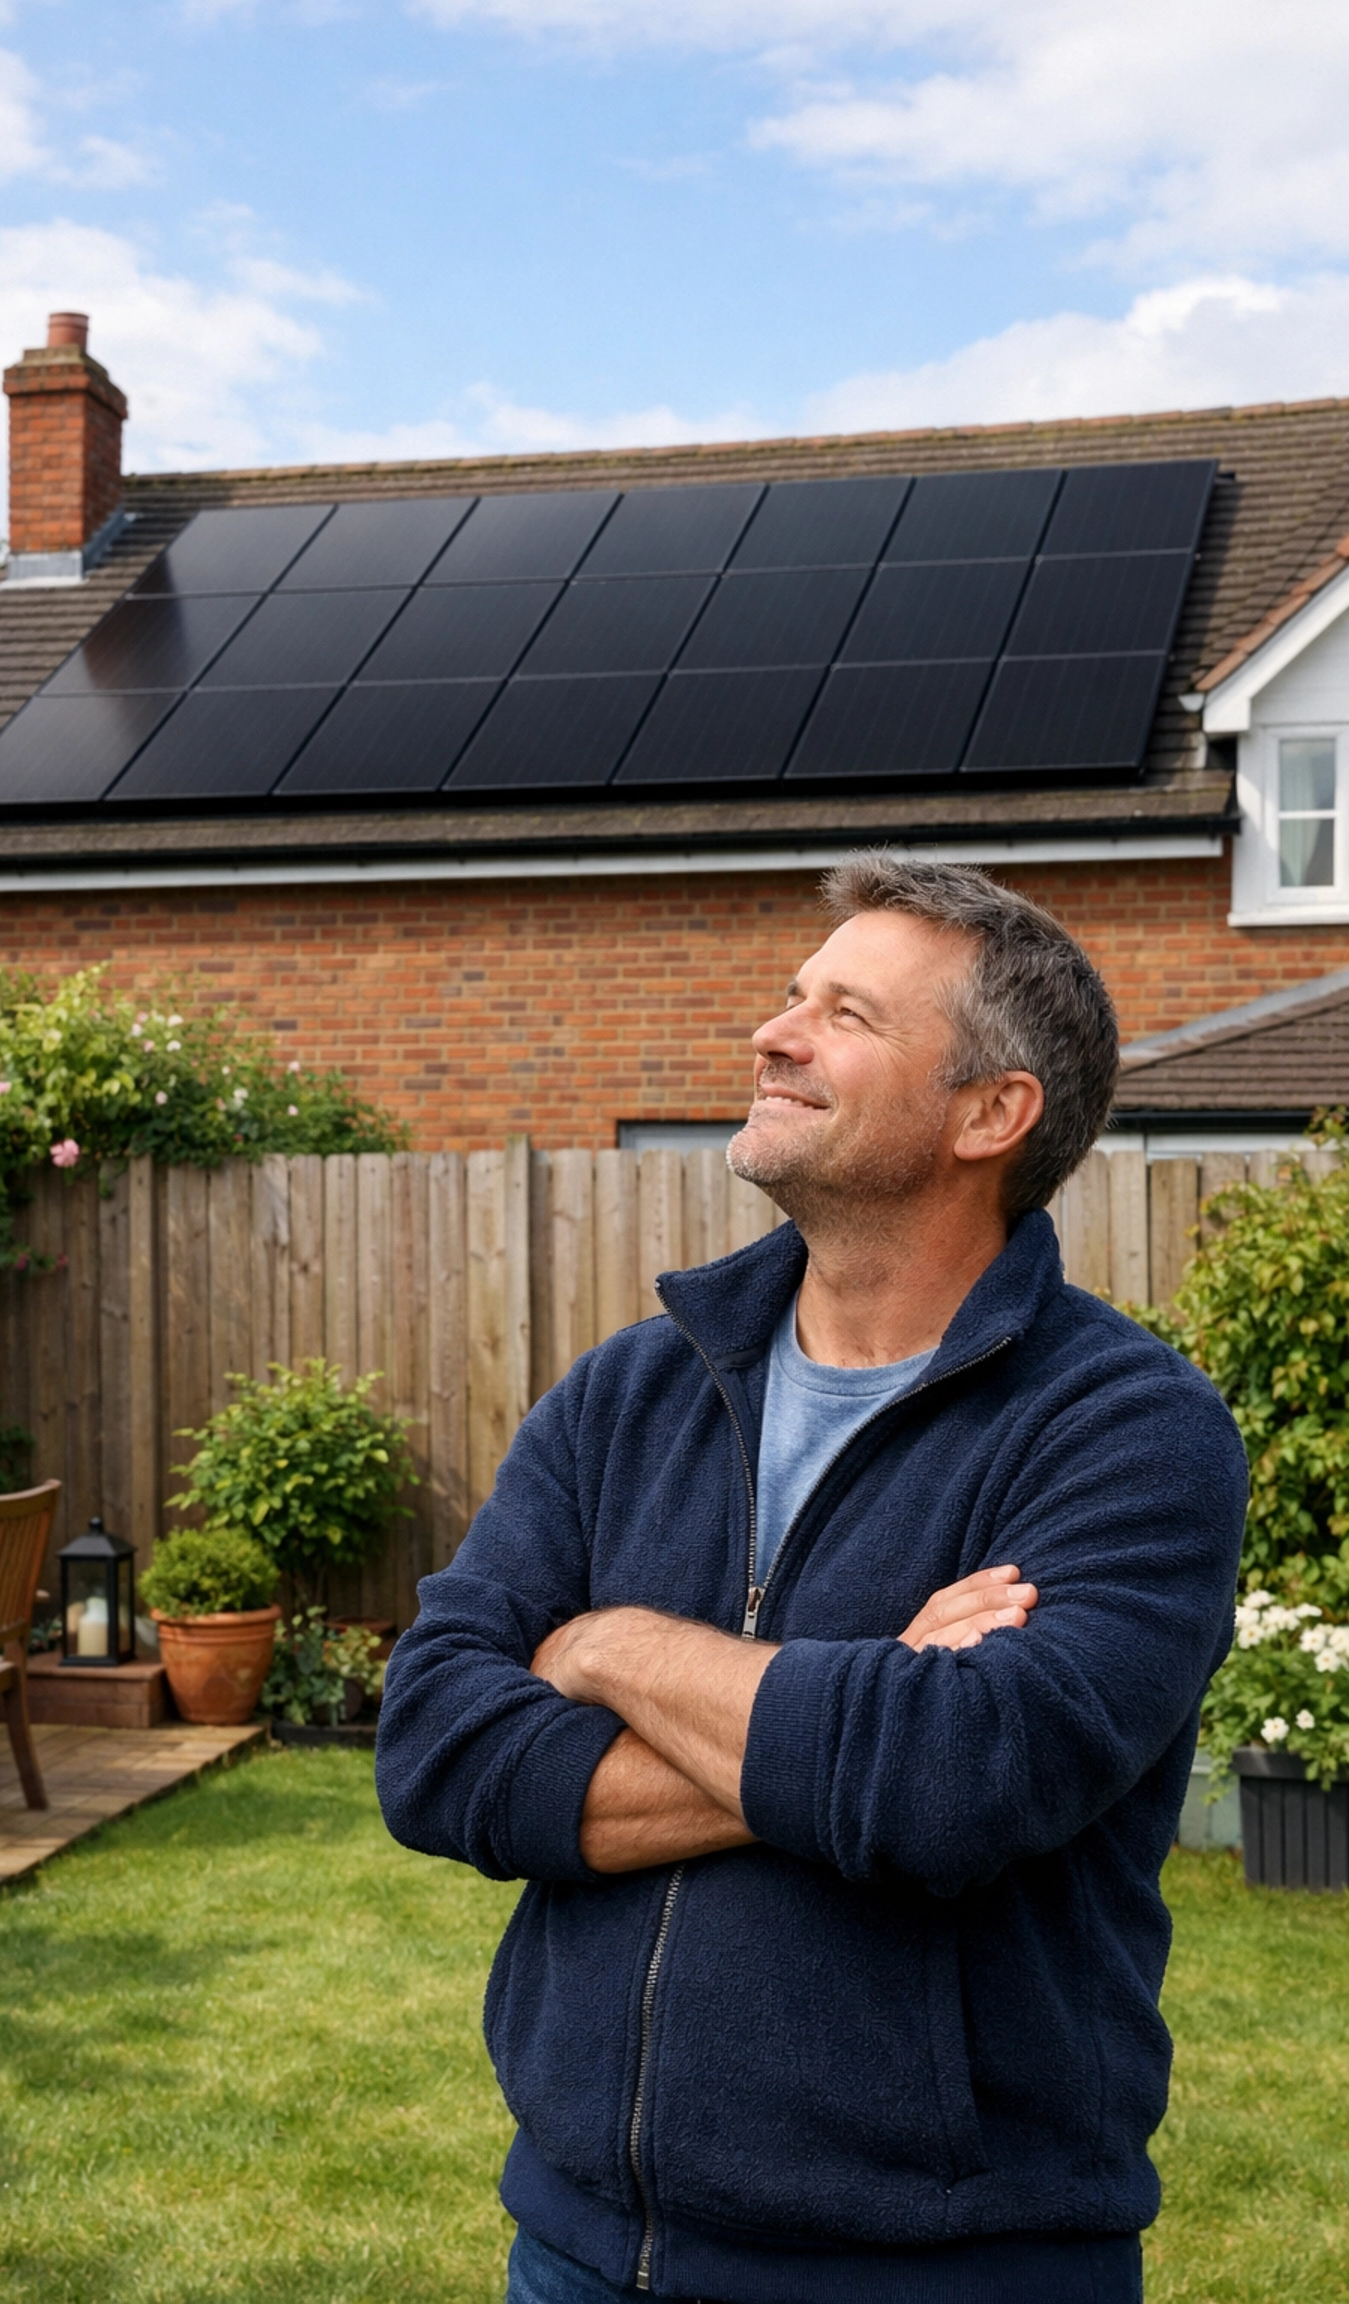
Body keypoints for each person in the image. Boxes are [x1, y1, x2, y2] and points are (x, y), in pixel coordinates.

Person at [376, 855, 1247, 2304]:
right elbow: (436, 1750)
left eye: (844, 1012)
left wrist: (599, 1648)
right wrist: (850, 1703)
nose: (773, 1033)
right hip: (580, 2250)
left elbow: (952, 1782)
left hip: (944, 2266)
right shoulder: (632, 1393)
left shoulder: (1127, 1429)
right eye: (791, 995)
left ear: (990, 1112)